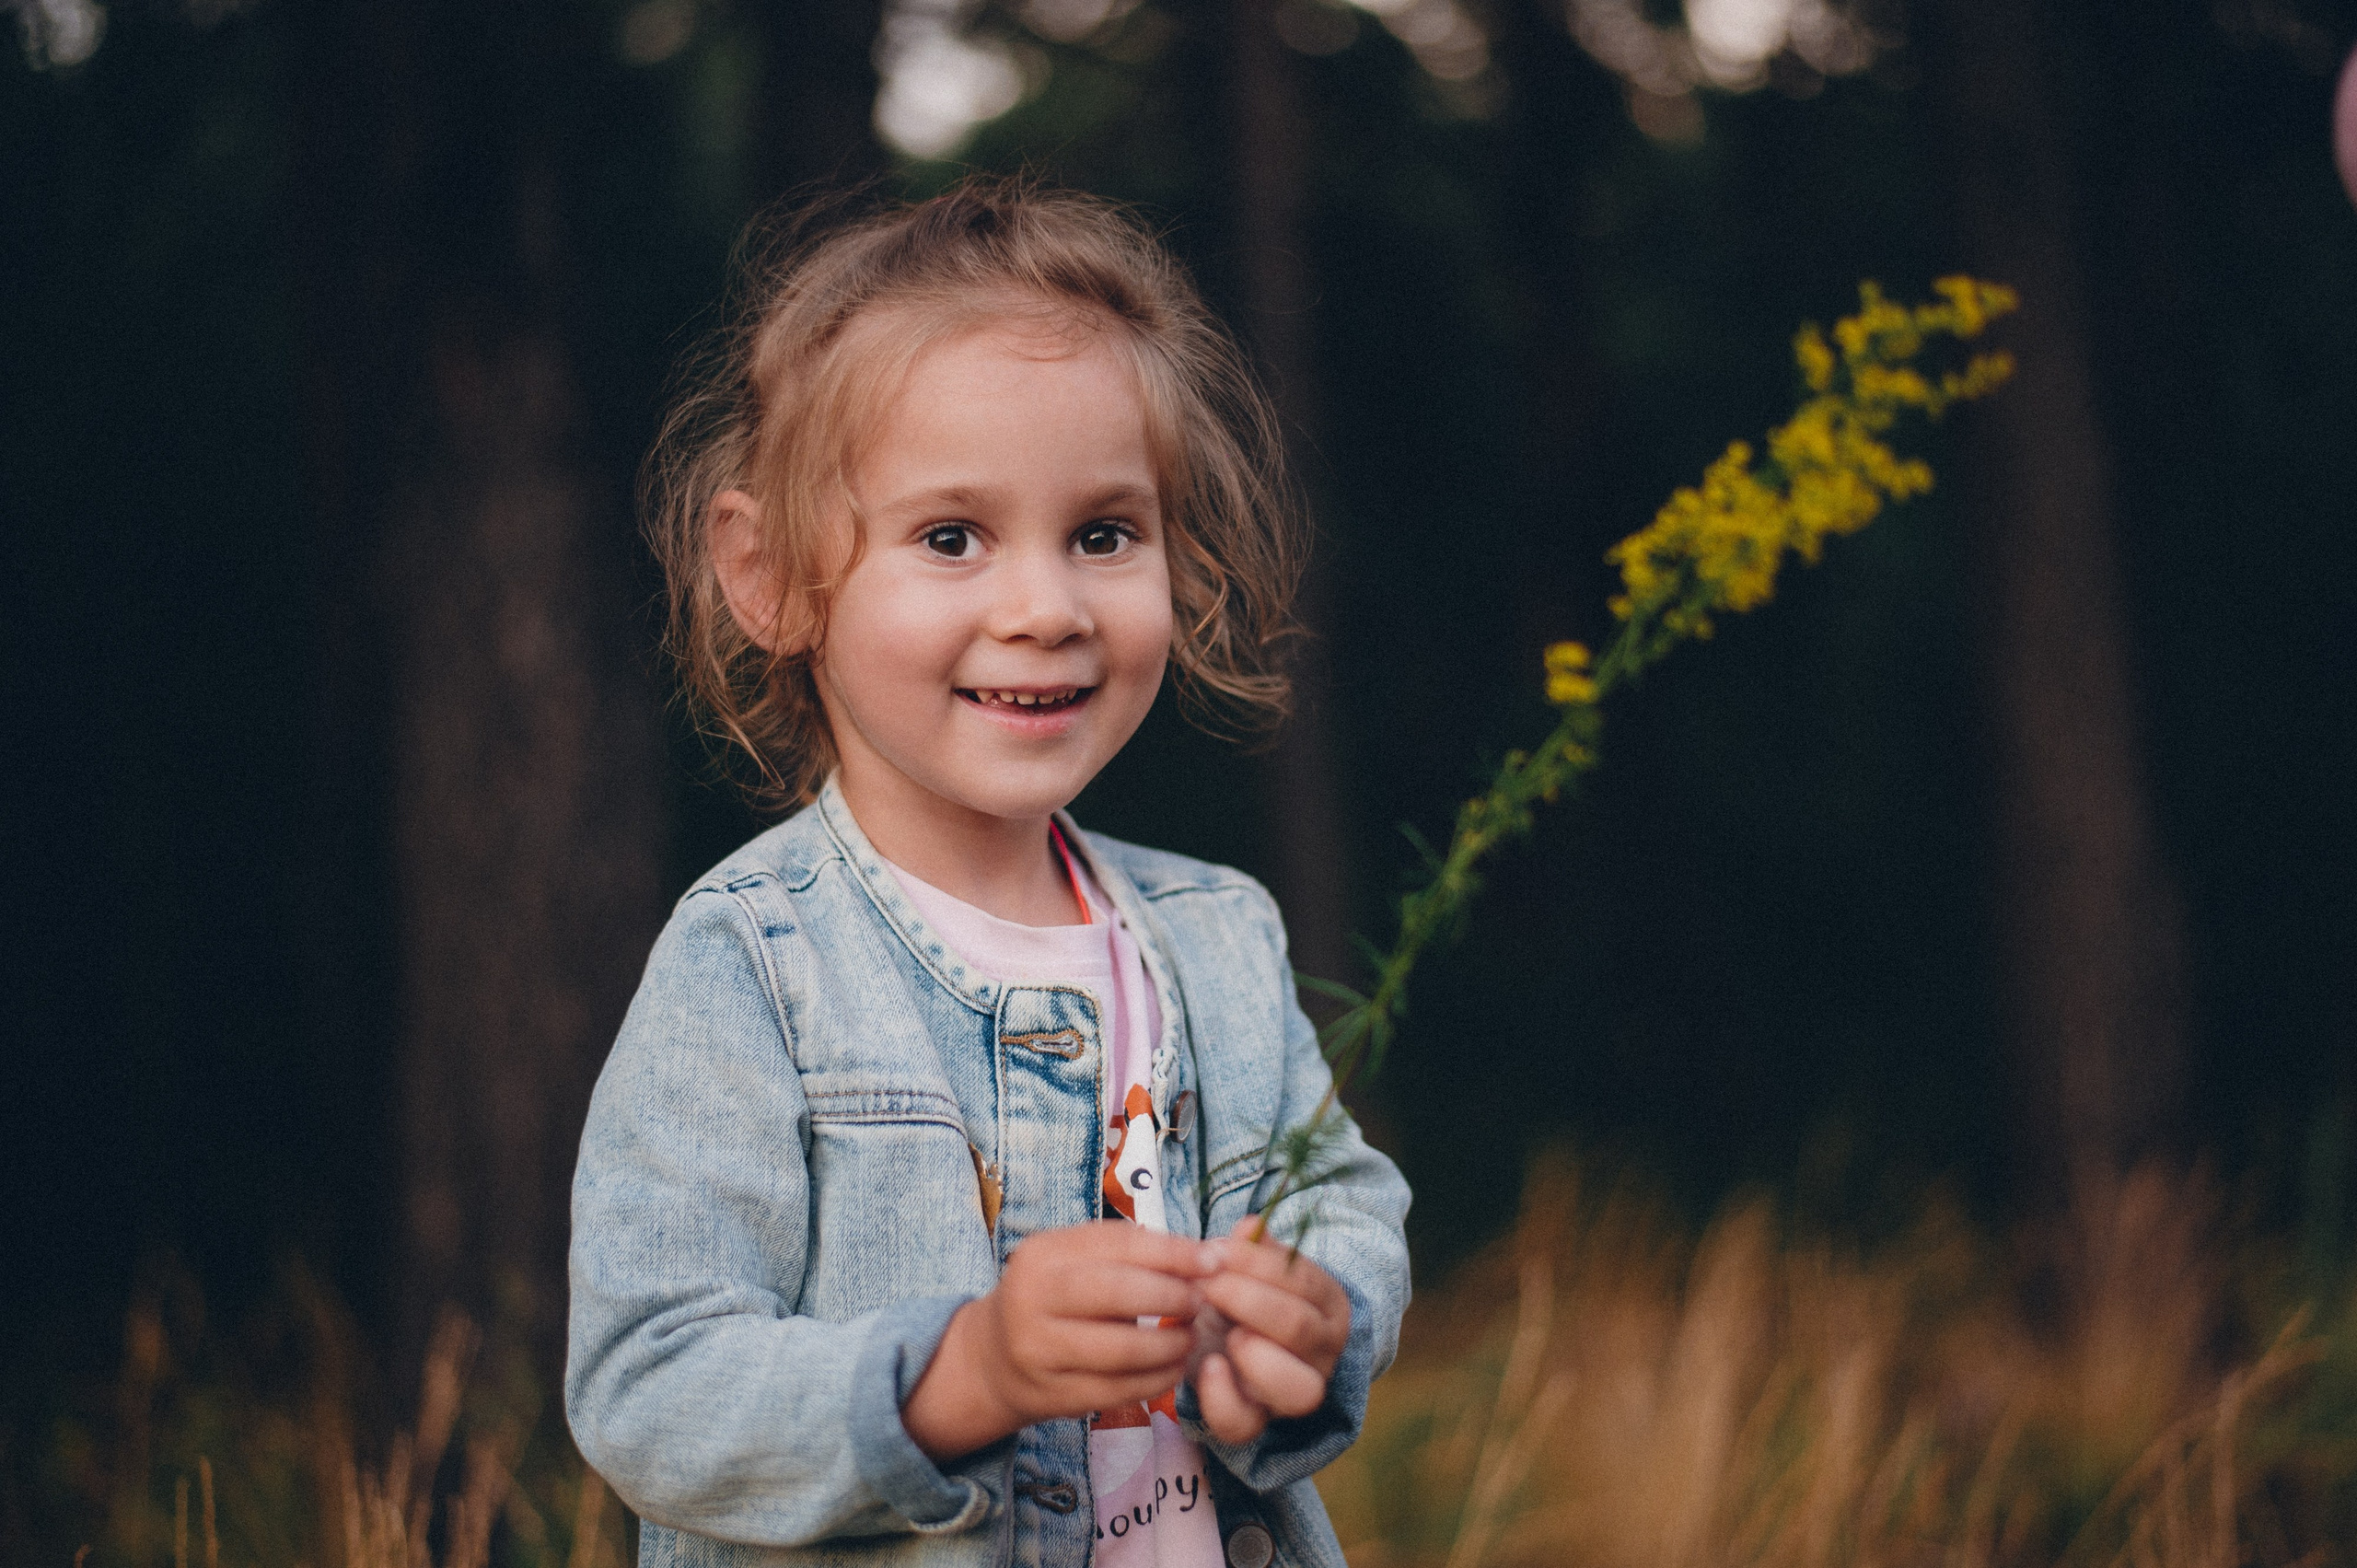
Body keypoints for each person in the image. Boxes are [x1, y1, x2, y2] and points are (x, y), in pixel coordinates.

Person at [565, 180, 1411, 1568]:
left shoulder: (1217, 935)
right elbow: (648, 1387)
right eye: (951, 537)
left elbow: (1341, 1198)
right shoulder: (754, 963)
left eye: (1104, 533)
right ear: (768, 575)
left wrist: (1316, 1313)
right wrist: (967, 1372)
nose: (1045, 608)